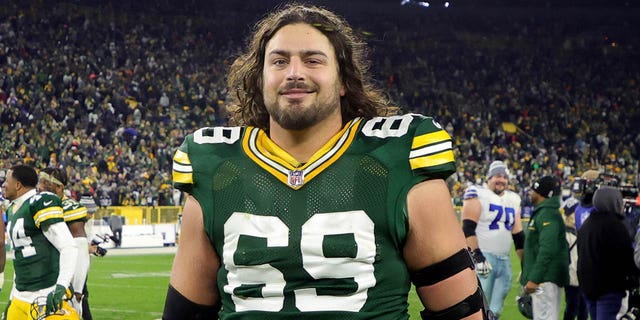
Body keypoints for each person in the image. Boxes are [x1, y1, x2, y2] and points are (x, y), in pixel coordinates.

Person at [163, 3, 489, 319]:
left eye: (313, 60)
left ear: (343, 80)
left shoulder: (397, 160)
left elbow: (460, 311)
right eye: (278, 62)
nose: (294, 73)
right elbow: (186, 312)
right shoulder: (217, 167)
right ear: (260, 79)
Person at [1, 165, 79, 319]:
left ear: (18, 185)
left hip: (44, 293)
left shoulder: (39, 202)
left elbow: (68, 246)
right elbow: (22, 258)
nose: (3, 184)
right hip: (20, 296)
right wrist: (11, 297)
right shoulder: (12, 210)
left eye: (7, 181)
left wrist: (61, 285)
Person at [461, 160, 524, 318]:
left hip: (505, 260)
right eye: (497, 175)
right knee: (479, 307)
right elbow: (468, 228)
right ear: (489, 177)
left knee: (496, 309)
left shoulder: (514, 199)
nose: (501, 179)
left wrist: (525, 264)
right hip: (485, 258)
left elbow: (519, 237)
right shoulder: (478, 193)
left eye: (504, 176)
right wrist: (477, 255)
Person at [577, 186, 639, 319]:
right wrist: (633, 280)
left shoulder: (587, 224)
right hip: (609, 289)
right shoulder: (616, 225)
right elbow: (626, 258)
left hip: (588, 287)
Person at [37, 167, 90, 318]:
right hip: (41, 277)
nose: (40, 187)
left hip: (63, 281)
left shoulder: (68, 209)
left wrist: (78, 290)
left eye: (45, 183)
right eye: (40, 182)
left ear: (59, 187)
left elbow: (80, 248)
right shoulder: (38, 205)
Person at [520, 175, 569, 320]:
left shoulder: (547, 214)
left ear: (542, 193)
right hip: (544, 278)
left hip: (545, 280)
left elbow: (547, 249)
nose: (530, 192)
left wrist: (534, 278)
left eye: (533, 189)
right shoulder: (544, 212)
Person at [561, 182, 588, 320]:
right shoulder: (567, 234)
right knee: (573, 308)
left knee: (583, 309)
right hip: (573, 277)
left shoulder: (578, 231)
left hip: (581, 276)